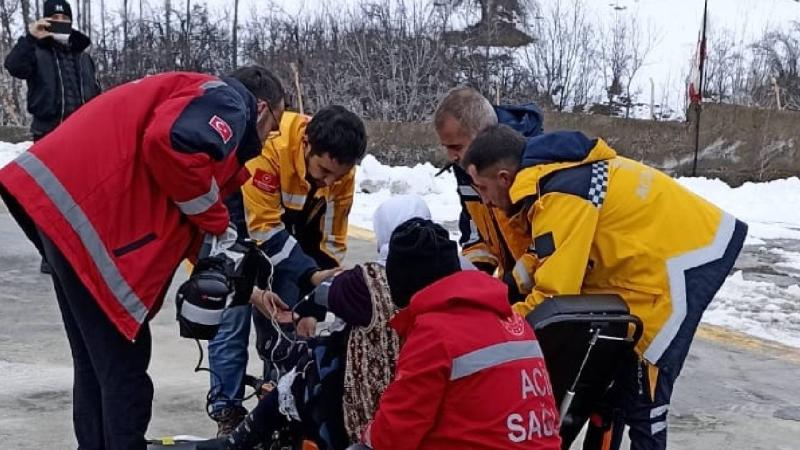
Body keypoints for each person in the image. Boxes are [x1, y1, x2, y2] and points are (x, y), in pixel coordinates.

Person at [0, 66, 285, 450]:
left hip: (65, 206)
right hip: (89, 213)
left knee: (97, 364)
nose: (268, 140)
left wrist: (241, 284)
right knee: (125, 367)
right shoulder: (231, 102)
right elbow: (171, 143)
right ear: (262, 108)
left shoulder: (191, 93)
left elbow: (180, 196)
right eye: (274, 127)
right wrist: (217, 223)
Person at [462, 125, 748, 450]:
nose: (484, 199)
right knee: (607, 388)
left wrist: (495, 329)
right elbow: (544, 258)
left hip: (682, 262)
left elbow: (556, 294)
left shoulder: (561, 194)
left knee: (645, 397)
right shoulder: (551, 181)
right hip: (644, 266)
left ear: (504, 178)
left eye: (482, 188)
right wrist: (502, 293)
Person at [199, 195, 433, 450]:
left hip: (373, 404)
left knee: (306, 365)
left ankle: (238, 439)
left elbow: (323, 293)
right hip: (429, 394)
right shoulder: (451, 268)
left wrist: (301, 312)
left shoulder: (368, 279)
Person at [207, 104, 367, 434]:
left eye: (337, 176)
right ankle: (228, 412)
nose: (329, 181)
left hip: (290, 243)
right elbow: (262, 228)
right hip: (238, 230)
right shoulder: (271, 148)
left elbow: (331, 240)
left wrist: (315, 302)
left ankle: (277, 407)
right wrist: (306, 274)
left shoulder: (341, 170)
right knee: (232, 323)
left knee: (285, 326)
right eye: (323, 171)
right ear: (306, 143)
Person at [361, 218, 562, 450]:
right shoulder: (513, 320)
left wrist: (367, 437)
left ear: (406, 292)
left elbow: (392, 436)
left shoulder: (433, 333)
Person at [4, 0, 101, 273]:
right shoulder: (35, 51)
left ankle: (83, 252)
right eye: (54, 16)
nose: (60, 20)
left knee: (84, 198)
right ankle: (52, 254)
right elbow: (14, 67)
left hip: (82, 137)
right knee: (49, 200)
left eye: (64, 16)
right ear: (45, 21)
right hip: (48, 134)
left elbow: (95, 93)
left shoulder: (84, 55)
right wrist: (30, 38)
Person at [433, 86, 542, 283]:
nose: (451, 157)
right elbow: (475, 234)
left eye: (456, 146)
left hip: (545, 293)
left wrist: (511, 286)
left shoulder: (533, 167)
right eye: (446, 147)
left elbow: (547, 245)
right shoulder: (466, 168)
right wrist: (469, 278)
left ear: (483, 135)